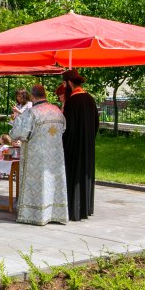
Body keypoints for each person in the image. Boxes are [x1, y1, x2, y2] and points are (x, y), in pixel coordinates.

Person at [9, 84, 68, 226]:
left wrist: (13, 129)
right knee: (53, 183)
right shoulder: (57, 111)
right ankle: (55, 214)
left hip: (36, 158)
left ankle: (35, 215)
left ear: (33, 96)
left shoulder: (31, 113)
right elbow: (63, 128)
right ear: (45, 95)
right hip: (55, 157)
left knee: (39, 183)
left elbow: (18, 133)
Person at [61, 69, 99, 222]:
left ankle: (74, 210)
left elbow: (68, 128)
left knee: (74, 175)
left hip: (75, 147)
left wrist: (64, 144)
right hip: (88, 146)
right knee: (85, 175)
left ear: (69, 83)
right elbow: (96, 123)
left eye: (64, 84)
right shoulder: (90, 99)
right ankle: (85, 208)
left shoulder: (72, 101)